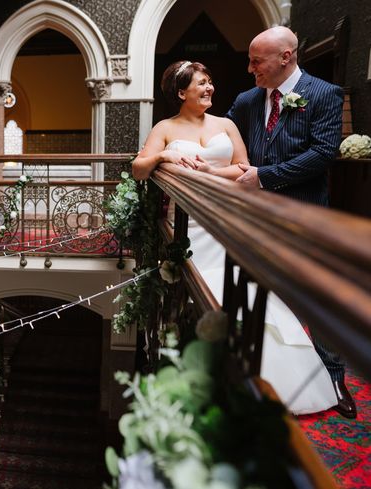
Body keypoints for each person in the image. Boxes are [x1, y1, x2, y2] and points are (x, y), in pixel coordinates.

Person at [132, 60, 338, 416]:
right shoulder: (165, 127)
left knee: (246, 292)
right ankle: (213, 381)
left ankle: (273, 381)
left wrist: (212, 171)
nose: (210, 88)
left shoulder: (226, 124)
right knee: (205, 297)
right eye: (201, 83)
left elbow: (243, 167)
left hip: (226, 220)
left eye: (210, 81)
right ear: (182, 93)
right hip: (189, 226)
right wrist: (165, 155)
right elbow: (138, 168)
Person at [228, 26, 355, 418]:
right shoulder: (248, 100)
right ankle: (264, 381)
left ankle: (334, 378)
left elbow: (322, 153)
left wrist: (265, 176)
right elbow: (220, 134)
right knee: (258, 299)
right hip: (254, 219)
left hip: (304, 214)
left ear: (286, 57)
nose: (250, 68)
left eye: (256, 60)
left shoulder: (323, 94)